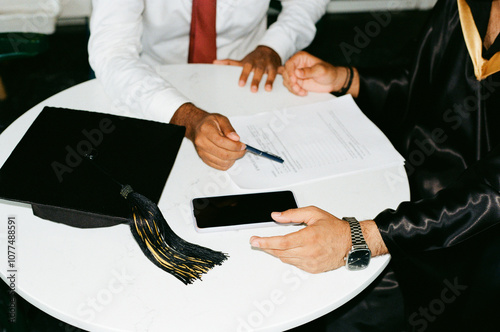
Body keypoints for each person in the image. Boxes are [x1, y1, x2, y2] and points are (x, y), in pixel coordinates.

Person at [250, 0, 500, 330]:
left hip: (465, 239)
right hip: (402, 187)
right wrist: (345, 79)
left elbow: (491, 194)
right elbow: (416, 82)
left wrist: (358, 238)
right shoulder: (466, 6)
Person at [88, 0, 329, 171]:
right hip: (149, 81)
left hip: (243, 75)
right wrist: (187, 118)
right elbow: (112, 52)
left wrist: (275, 46)